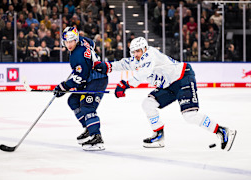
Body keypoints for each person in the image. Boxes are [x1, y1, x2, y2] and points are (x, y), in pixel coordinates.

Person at [93, 37, 237, 151]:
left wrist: (125, 84)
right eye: (134, 52)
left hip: (182, 78)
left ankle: (222, 131)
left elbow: (144, 74)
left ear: (144, 48)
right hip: (169, 85)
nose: (136, 54)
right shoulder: (137, 58)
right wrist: (107, 66)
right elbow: (124, 64)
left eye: (138, 51)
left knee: (190, 116)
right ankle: (159, 136)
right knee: (147, 104)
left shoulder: (150, 54)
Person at [54, 27, 108, 151]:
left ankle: (97, 137)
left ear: (76, 39)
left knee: (87, 106)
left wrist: (64, 87)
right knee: (73, 101)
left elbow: (80, 79)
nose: (69, 44)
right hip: (90, 78)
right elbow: (92, 44)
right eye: (66, 42)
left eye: (71, 41)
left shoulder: (77, 56)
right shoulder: (84, 40)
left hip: (97, 79)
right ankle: (89, 128)